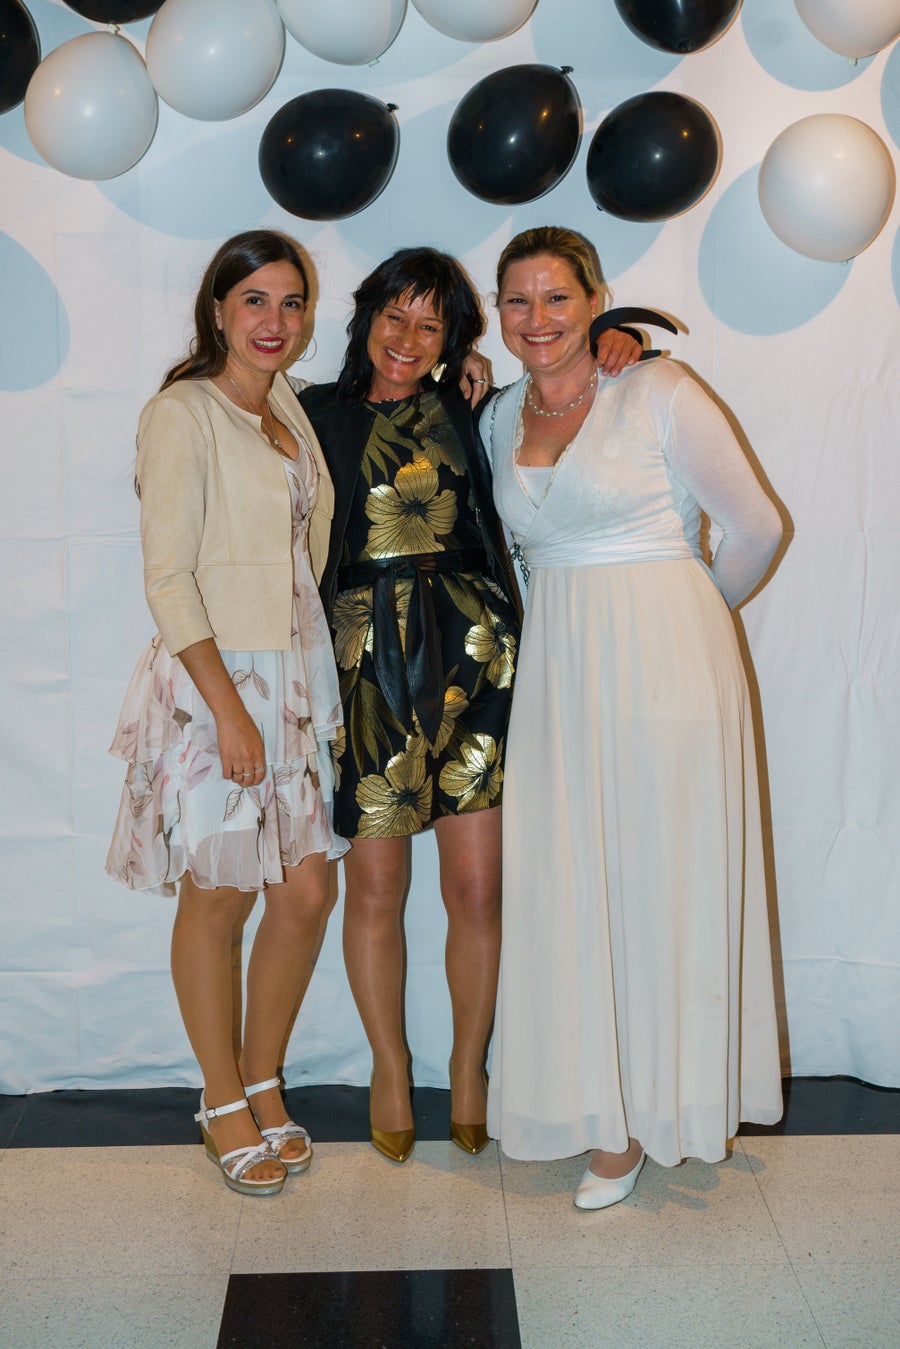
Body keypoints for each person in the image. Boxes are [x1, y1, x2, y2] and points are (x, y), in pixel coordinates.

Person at [297, 248, 643, 1162]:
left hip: (477, 662)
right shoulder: (314, 414)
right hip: (366, 666)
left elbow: (560, 383)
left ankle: (469, 1067)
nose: (408, 339)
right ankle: (387, 1067)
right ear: (366, 316)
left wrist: (617, 336)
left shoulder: (472, 407)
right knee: (377, 887)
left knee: (478, 888)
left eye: (432, 324)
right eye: (395, 316)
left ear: (454, 339)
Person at [483, 226, 784, 1208]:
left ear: (596, 299)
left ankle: (655, 1116)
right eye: (518, 299)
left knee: (662, 879)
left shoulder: (659, 389)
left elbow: (758, 527)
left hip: (668, 668)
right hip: (560, 675)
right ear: (498, 312)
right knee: (574, 878)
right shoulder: (497, 415)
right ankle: (597, 1101)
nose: (538, 317)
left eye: (557, 297)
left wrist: (689, 615)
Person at [106, 230, 347, 1196]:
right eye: (254, 300)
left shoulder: (284, 403)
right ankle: (219, 1100)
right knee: (220, 894)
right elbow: (168, 577)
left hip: (292, 672)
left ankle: (261, 1077)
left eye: (291, 302)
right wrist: (228, 711)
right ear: (217, 310)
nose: (274, 321)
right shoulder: (182, 412)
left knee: (305, 893)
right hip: (219, 679)